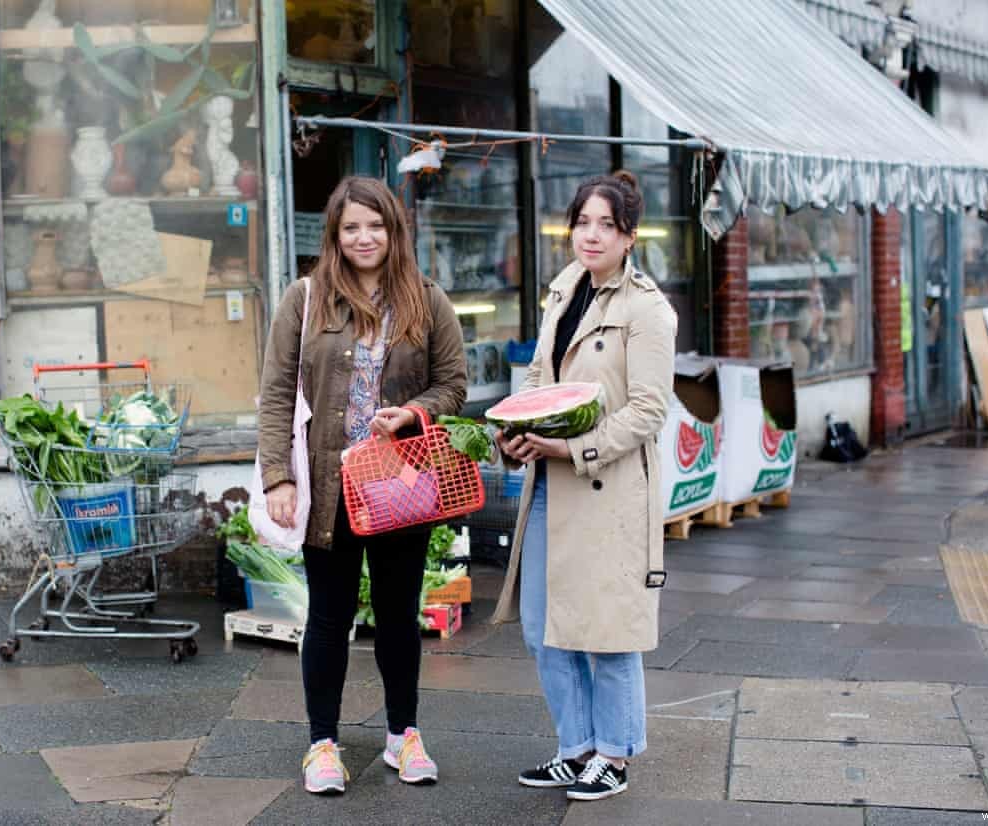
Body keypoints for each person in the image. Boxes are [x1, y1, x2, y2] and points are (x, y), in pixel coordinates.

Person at [257, 176, 467, 795]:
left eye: (375, 225)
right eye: (351, 227)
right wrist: (278, 476)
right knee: (329, 617)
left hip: (400, 482)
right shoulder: (306, 298)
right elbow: (275, 393)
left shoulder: (428, 300)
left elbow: (454, 384)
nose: (364, 237)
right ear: (335, 233)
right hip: (328, 483)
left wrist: (411, 413)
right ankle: (322, 744)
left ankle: (403, 735)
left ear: (394, 229)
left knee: (401, 616)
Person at [491, 170, 676, 802]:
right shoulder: (565, 289)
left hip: (608, 489)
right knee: (543, 625)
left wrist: (574, 448)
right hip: (548, 485)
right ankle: (575, 749)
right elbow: (540, 376)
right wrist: (511, 432)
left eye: (607, 225)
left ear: (629, 237)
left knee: (607, 627)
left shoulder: (648, 309)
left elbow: (649, 411)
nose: (591, 235)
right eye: (583, 222)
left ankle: (615, 754)